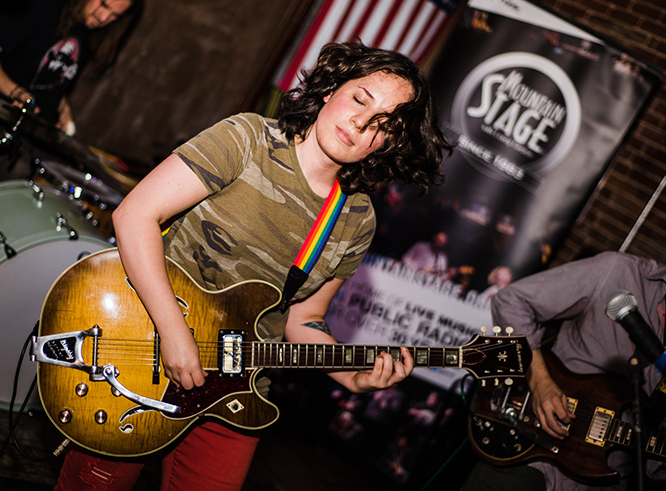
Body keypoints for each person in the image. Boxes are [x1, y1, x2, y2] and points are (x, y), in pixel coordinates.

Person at [52, 41, 453, 490]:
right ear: (330, 91)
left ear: (389, 143)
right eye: (360, 99)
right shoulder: (248, 139)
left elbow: (304, 319)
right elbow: (135, 215)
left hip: (239, 389)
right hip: (144, 348)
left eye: (383, 125)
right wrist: (174, 333)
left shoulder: (356, 218)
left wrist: (354, 376)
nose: (361, 122)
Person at [462, 251, 666, 491]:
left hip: (604, 480)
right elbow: (511, 301)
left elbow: (654, 467)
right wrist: (540, 381)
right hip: (532, 451)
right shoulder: (619, 271)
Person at [0, 0, 144, 135]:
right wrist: (16, 93)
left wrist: (64, 111)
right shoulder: (44, 3)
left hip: (22, 132)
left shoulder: (87, 35)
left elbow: (49, 80)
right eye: (104, 4)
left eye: (114, 16)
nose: (103, 18)